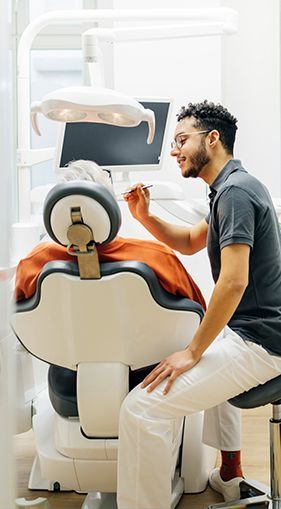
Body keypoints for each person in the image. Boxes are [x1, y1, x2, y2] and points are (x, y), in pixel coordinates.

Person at [117, 100, 281, 509]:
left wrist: (192, 352)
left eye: (181, 140)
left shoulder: (236, 194)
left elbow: (234, 280)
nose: (174, 151)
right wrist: (145, 217)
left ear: (213, 139)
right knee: (206, 341)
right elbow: (191, 241)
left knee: (140, 409)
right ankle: (230, 474)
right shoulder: (229, 187)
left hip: (263, 341)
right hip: (259, 331)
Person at [15, 159, 205, 312]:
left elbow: (20, 318)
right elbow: (197, 313)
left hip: (65, 358)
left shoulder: (35, 261)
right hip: (149, 358)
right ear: (109, 205)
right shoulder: (157, 256)